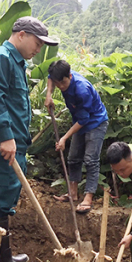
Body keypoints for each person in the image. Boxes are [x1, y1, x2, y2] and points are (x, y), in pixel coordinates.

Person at [0, 16, 59, 262]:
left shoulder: (15, 62)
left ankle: (3, 257)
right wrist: (5, 135)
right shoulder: (0, 58)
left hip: (11, 145)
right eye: (37, 43)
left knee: (4, 200)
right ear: (21, 35)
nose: (39, 49)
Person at [44, 60, 109, 213]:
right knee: (73, 158)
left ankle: (88, 197)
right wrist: (48, 96)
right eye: (58, 83)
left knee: (90, 160)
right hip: (79, 120)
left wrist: (64, 138)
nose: (61, 86)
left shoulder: (81, 89)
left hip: (96, 122)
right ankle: (73, 193)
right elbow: (50, 78)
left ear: (70, 76)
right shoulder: (58, 76)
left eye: (63, 82)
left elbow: (84, 120)